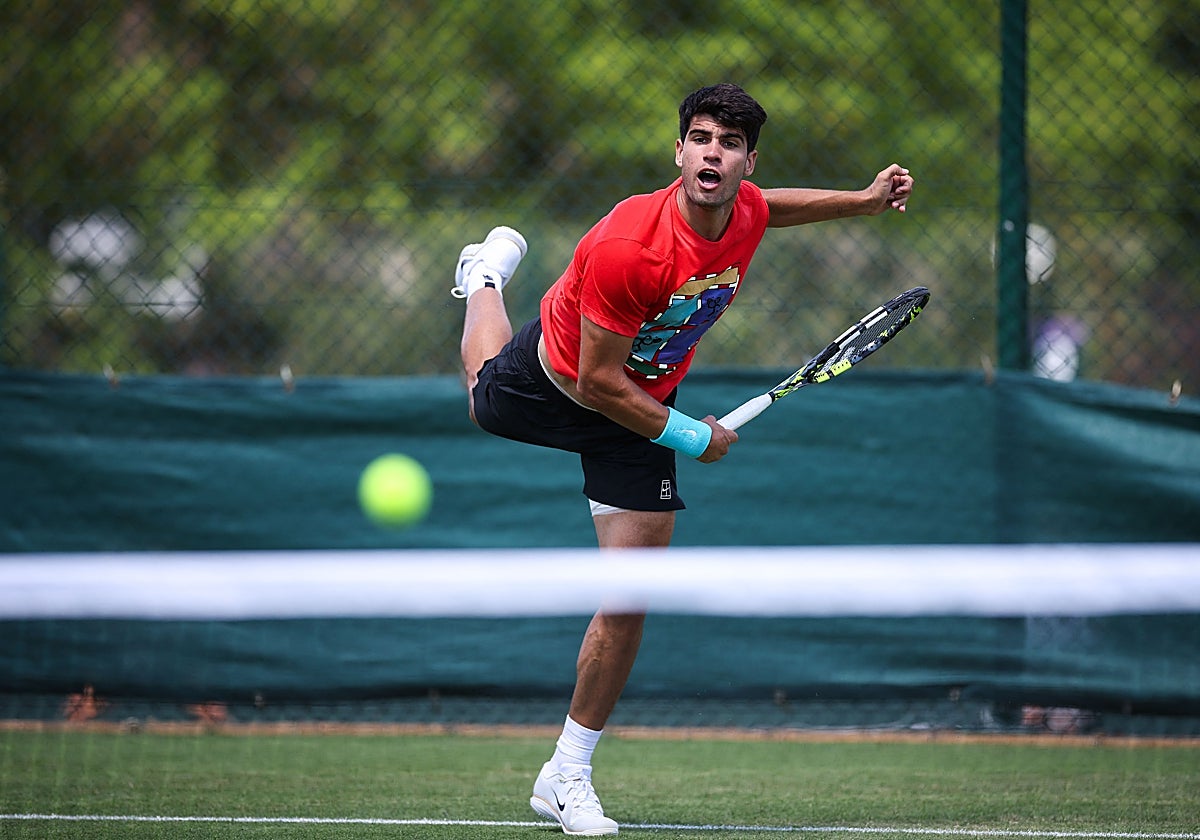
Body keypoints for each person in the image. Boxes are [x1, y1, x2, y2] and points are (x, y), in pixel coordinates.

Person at [452, 83, 913, 836]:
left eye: (729, 145)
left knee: (631, 592)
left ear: (744, 162)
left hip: (637, 406)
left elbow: (776, 210)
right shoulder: (631, 248)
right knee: (480, 390)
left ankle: (566, 773)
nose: (713, 153)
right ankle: (485, 277)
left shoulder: (746, 209)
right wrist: (692, 437)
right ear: (679, 151)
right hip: (560, 377)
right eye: (701, 138)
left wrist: (860, 202)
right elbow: (596, 383)